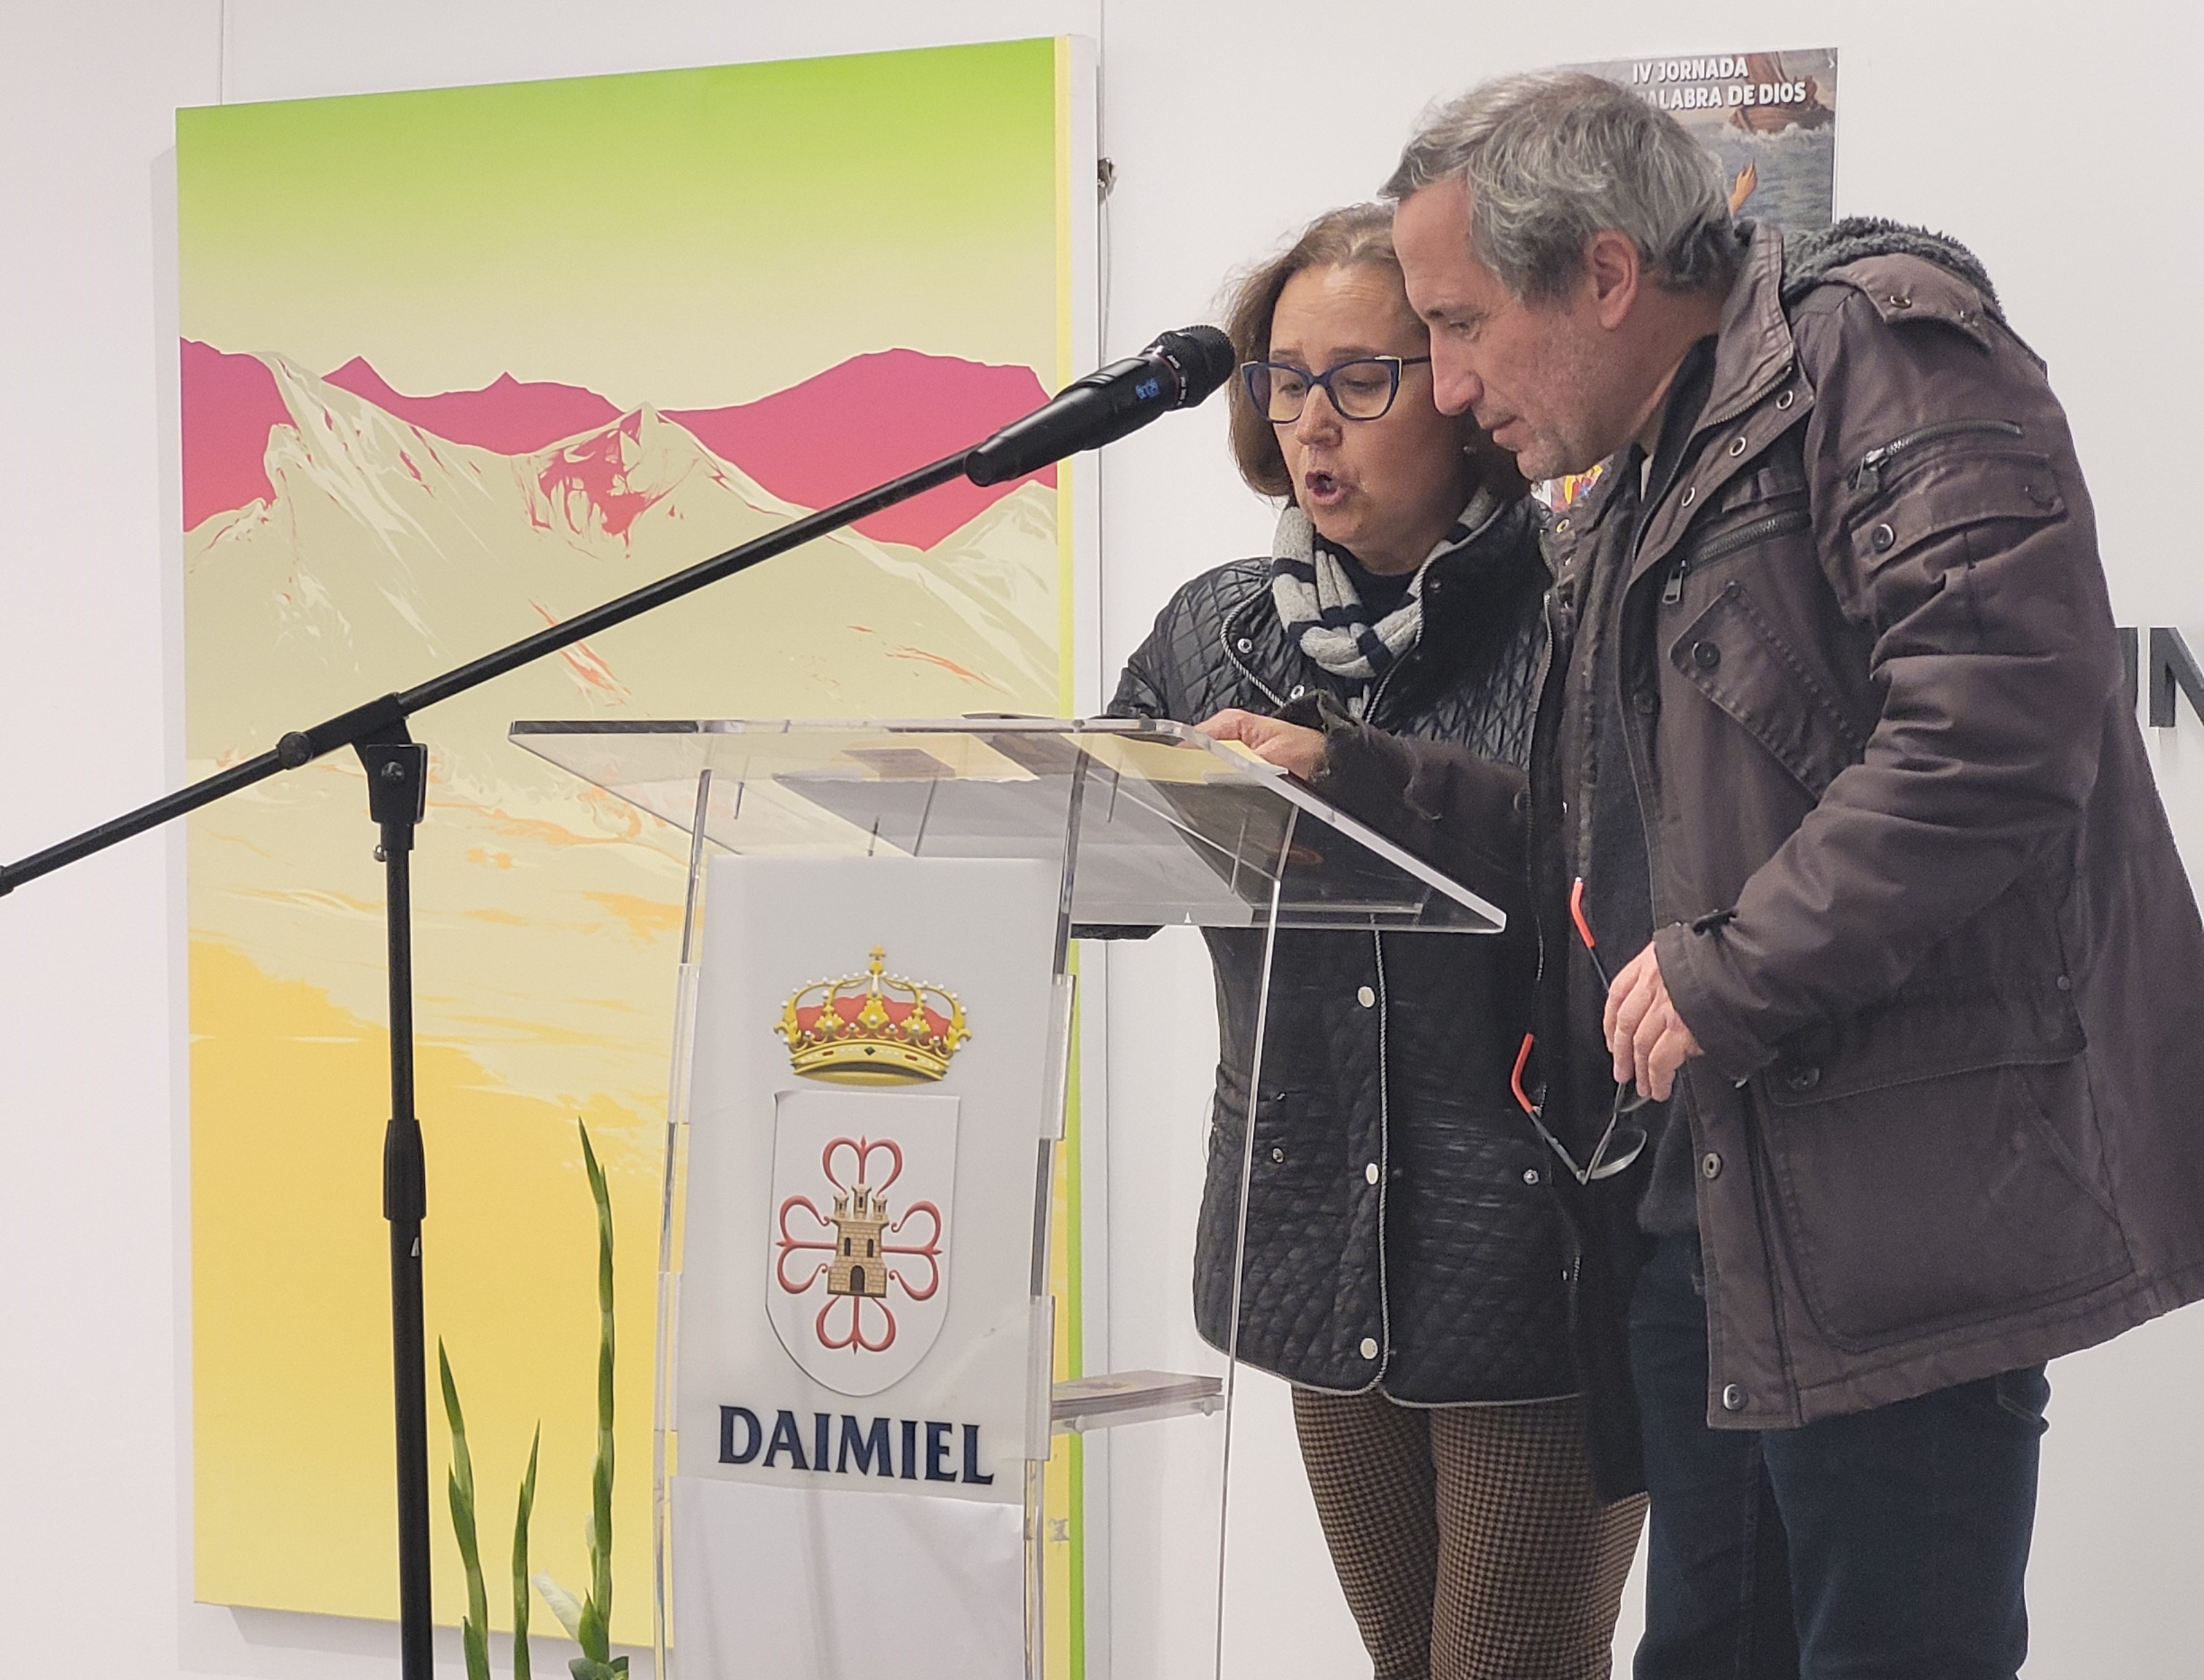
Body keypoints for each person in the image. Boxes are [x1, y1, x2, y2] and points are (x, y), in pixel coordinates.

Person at [1219, 71, 2204, 1680]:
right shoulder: (1628, 476)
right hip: (1707, 1223)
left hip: (1893, 1224)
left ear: (1605, 276)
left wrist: (1725, 972)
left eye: (1460, 326)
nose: (1449, 388)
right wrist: (1355, 775)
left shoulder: (1876, 355)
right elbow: (1590, 833)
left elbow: (1998, 726)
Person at [1108, 202, 1645, 1680]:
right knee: (1406, 1662)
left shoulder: (1583, 603)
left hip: (1536, 1252)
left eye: (1362, 378)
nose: (1309, 422)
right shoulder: (1218, 629)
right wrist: (1065, 804)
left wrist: (1345, 779)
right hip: (1318, 1230)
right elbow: (1111, 875)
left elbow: (1614, 874)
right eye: (1283, 379)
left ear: (1462, 388)